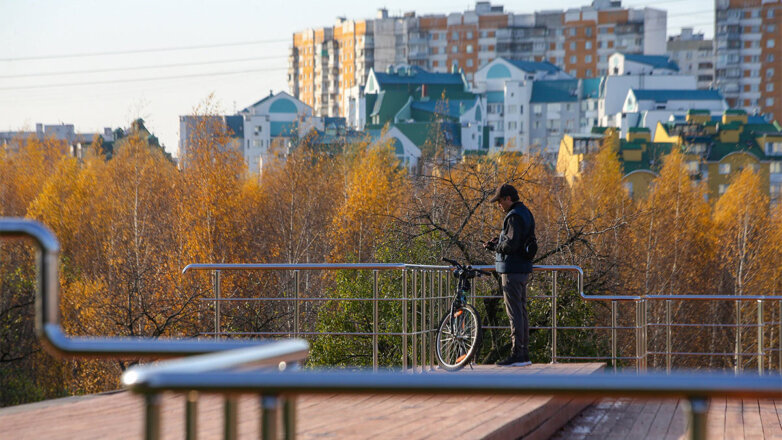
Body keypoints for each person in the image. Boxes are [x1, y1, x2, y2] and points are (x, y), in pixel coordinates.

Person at [483, 183, 535, 367]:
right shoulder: (525, 212)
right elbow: (517, 239)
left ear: (508, 199)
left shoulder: (513, 216)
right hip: (523, 268)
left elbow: (511, 245)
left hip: (512, 269)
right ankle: (524, 353)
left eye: (500, 201)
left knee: (514, 313)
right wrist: (501, 240)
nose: (499, 205)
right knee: (521, 311)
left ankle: (517, 354)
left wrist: (495, 246)